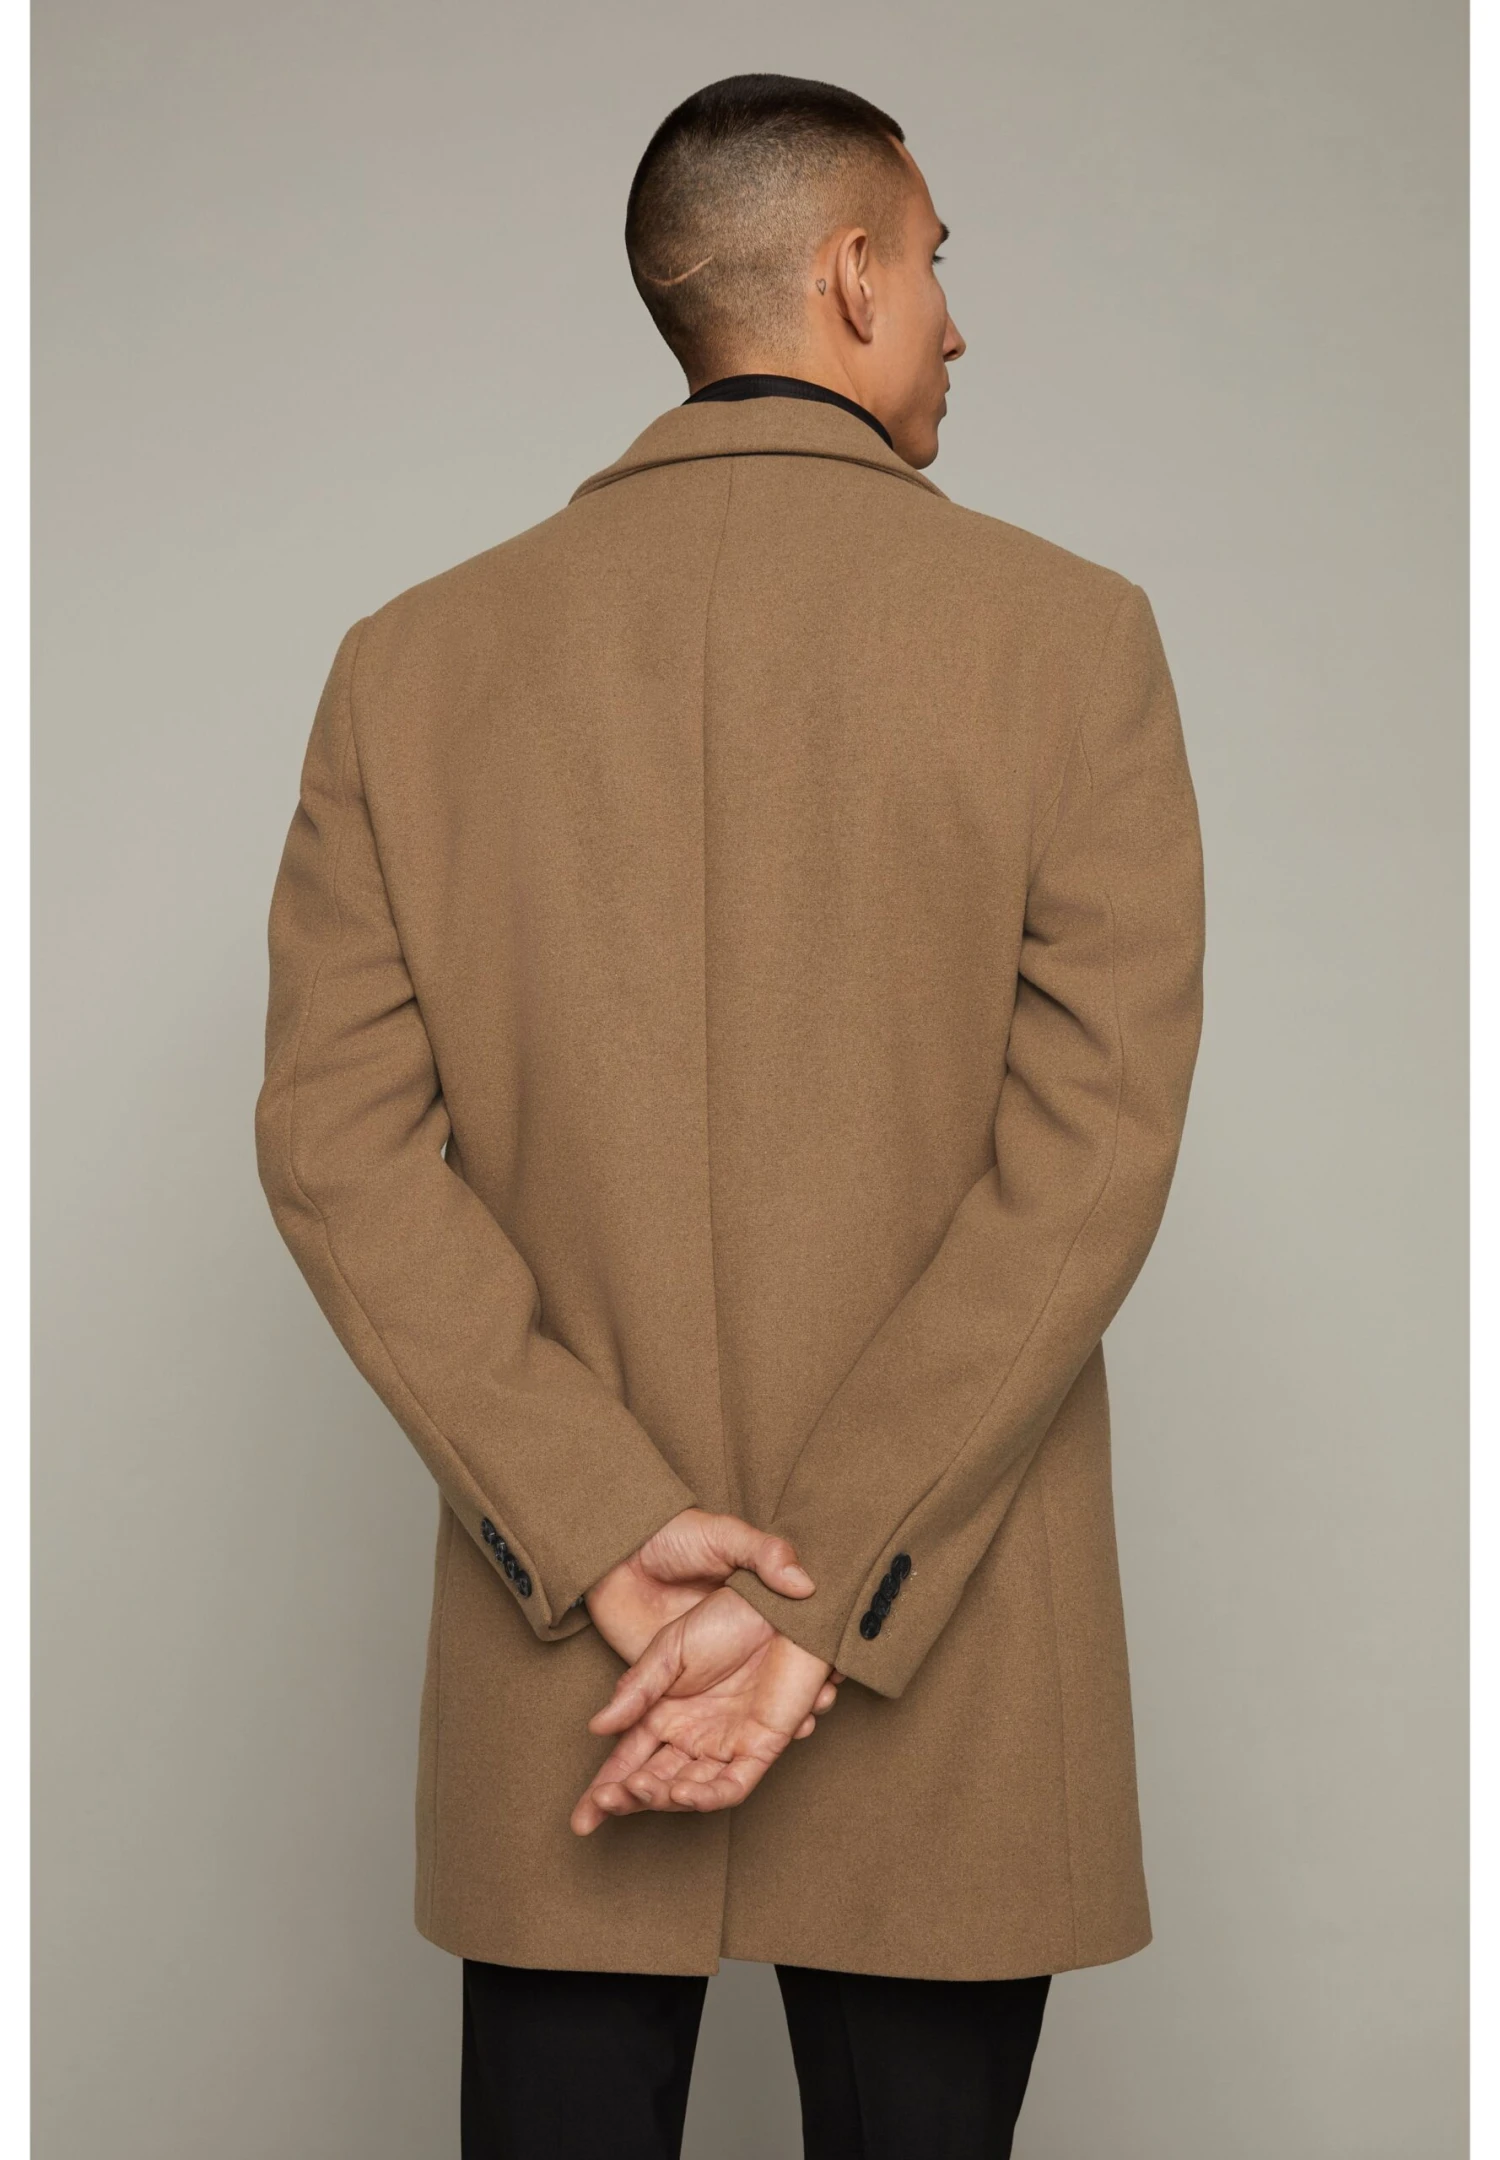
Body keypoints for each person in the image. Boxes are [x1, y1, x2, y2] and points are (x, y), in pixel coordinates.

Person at [255, 71, 1205, 2160]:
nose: (957, 318)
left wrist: (609, 1537)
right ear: (852, 276)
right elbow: (1089, 1166)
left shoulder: (409, 666)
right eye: (937, 263)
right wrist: (813, 1599)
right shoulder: (1073, 642)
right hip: (942, 1641)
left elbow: (335, 1154)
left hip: (585, 1670)